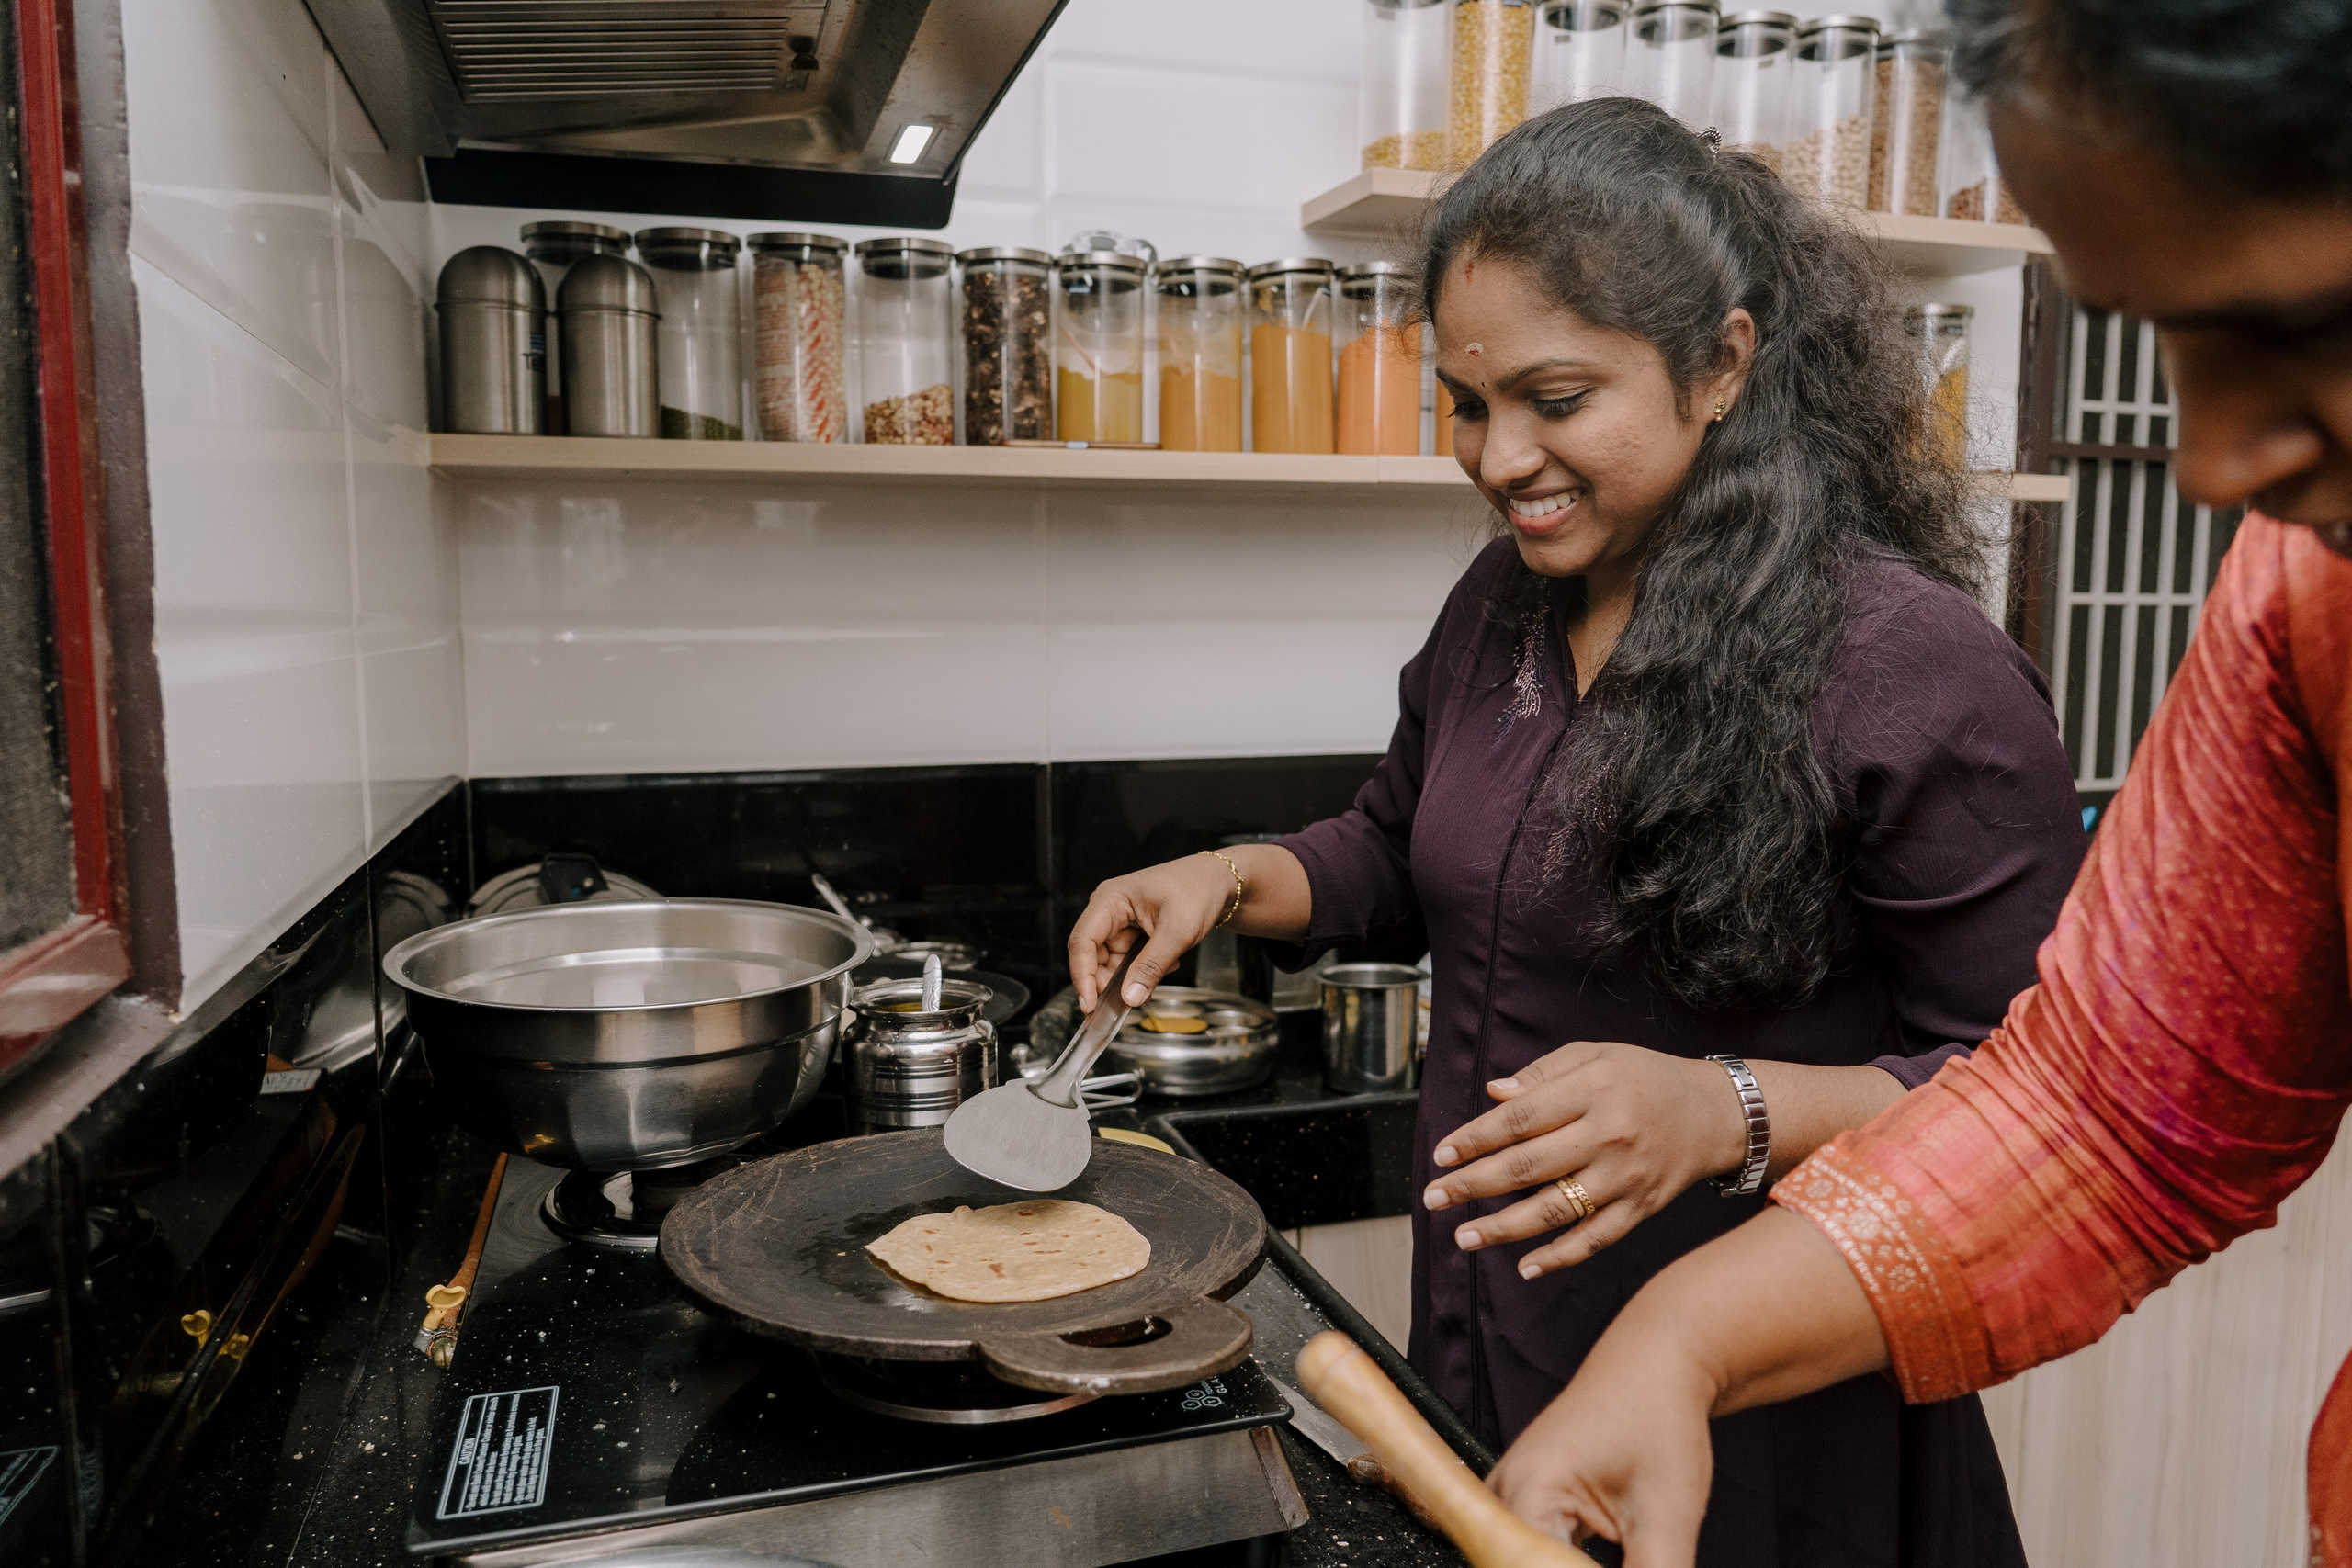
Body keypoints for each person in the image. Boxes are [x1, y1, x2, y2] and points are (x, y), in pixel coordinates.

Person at [1066, 98, 2084, 1564]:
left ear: (1722, 364)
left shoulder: (1910, 663)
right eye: (1470, 405)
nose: (1498, 456)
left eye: (1557, 399)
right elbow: (1395, 848)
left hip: (1768, 1428)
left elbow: (2038, 1103)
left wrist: (1725, 1109)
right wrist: (1224, 880)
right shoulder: (1505, 606)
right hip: (1486, 1363)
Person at [1478, 4, 2352, 1564]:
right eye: (2166, 338)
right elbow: (2109, 1110)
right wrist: (1679, 1343)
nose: (2214, 463)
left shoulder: (1911, 659)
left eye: (2306, 329)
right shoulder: (2310, 588)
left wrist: (1730, 1117)